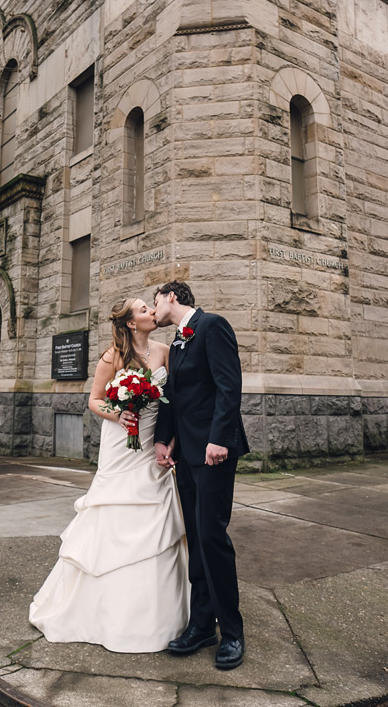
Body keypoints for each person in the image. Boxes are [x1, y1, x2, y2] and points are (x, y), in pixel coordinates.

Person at [28, 297, 189, 652]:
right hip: (121, 443)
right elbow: (94, 400)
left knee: (157, 513)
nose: (151, 312)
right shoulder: (111, 357)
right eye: (144, 309)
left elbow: (173, 403)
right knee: (113, 513)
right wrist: (118, 414)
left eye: (150, 307)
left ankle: (161, 614)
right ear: (131, 323)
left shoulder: (164, 352)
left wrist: (170, 441)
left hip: (151, 445)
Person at [152, 280, 249, 670]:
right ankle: (201, 625)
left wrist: (220, 438)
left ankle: (233, 633)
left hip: (213, 452)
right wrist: (164, 440)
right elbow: (173, 396)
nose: (154, 307)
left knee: (212, 536)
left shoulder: (213, 326)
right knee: (196, 538)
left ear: (172, 297)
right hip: (186, 455)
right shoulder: (176, 342)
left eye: (156, 300)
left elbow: (230, 385)